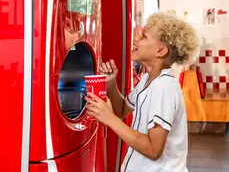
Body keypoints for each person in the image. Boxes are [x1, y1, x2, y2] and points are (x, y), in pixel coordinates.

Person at [85, 12, 201, 172]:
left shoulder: (163, 88)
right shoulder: (149, 79)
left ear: (160, 51)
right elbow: (122, 110)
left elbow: (154, 150)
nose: (135, 40)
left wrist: (109, 119)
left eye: (143, 37)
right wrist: (111, 84)